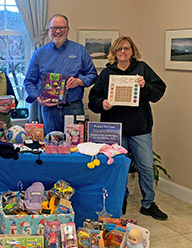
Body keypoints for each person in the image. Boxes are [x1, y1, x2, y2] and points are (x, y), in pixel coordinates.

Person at [88, 36, 167, 221]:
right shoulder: (107, 74)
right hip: (115, 130)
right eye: (119, 49)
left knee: (146, 166)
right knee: (117, 167)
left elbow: (158, 92)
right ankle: (118, 200)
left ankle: (148, 203)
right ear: (114, 53)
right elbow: (93, 101)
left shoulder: (142, 69)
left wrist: (144, 86)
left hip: (140, 128)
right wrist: (103, 104)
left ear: (132, 50)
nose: (123, 52)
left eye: (127, 48)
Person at [23, 14, 97, 134]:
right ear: (49, 31)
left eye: (61, 27)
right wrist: (38, 98)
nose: (57, 31)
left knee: (75, 147)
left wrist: (80, 81)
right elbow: (29, 81)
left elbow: (93, 75)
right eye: (54, 28)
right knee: (52, 147)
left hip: (74, 107)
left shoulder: (80, 50)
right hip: (49, 110)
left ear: (68, 30)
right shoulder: (39, 53)